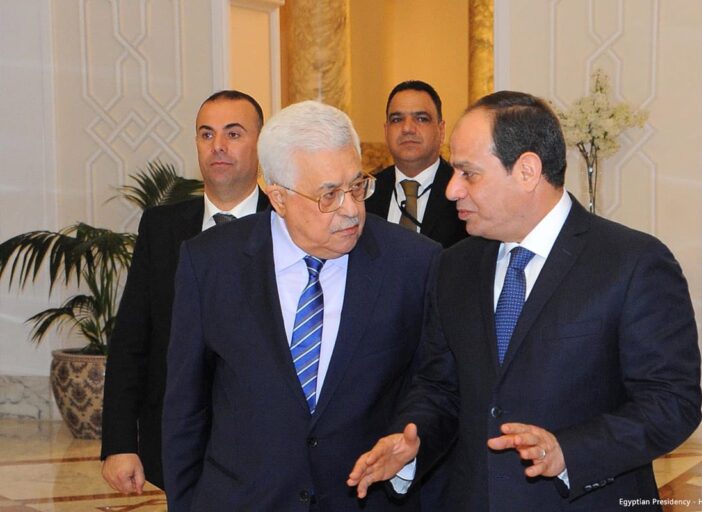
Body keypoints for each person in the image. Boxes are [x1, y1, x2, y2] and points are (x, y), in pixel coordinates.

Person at [348, 91, 702, 511]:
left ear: (527, 171)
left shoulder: (632, 263)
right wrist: (412, 441)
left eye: (468, 173)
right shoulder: (454, 266)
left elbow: (672, 403)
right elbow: (439, 387)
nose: (452, 189)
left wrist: (569, 451)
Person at [162, 100, 440, 511]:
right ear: (278, 197)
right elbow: (185, 408)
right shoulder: (210, 263)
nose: (351, 209)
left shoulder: (414, 263)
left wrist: (408, 437)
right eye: (329, 195)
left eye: (356, 187)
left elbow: (434, 384)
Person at [100, 90, 269, 494]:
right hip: (177, 446)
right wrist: (120, 443)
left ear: (261, 144)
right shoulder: (161, 227)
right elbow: (131, 341)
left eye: (233, 134)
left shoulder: (288, 225)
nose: (218, 146)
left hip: (266, 447)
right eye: (207, 134)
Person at [366, 80, 467, 248]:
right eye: (397, 119)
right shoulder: (366, 193)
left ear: (441, 130)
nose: (407, 128)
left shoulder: (463, 192)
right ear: (386, 131)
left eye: (421, 119)